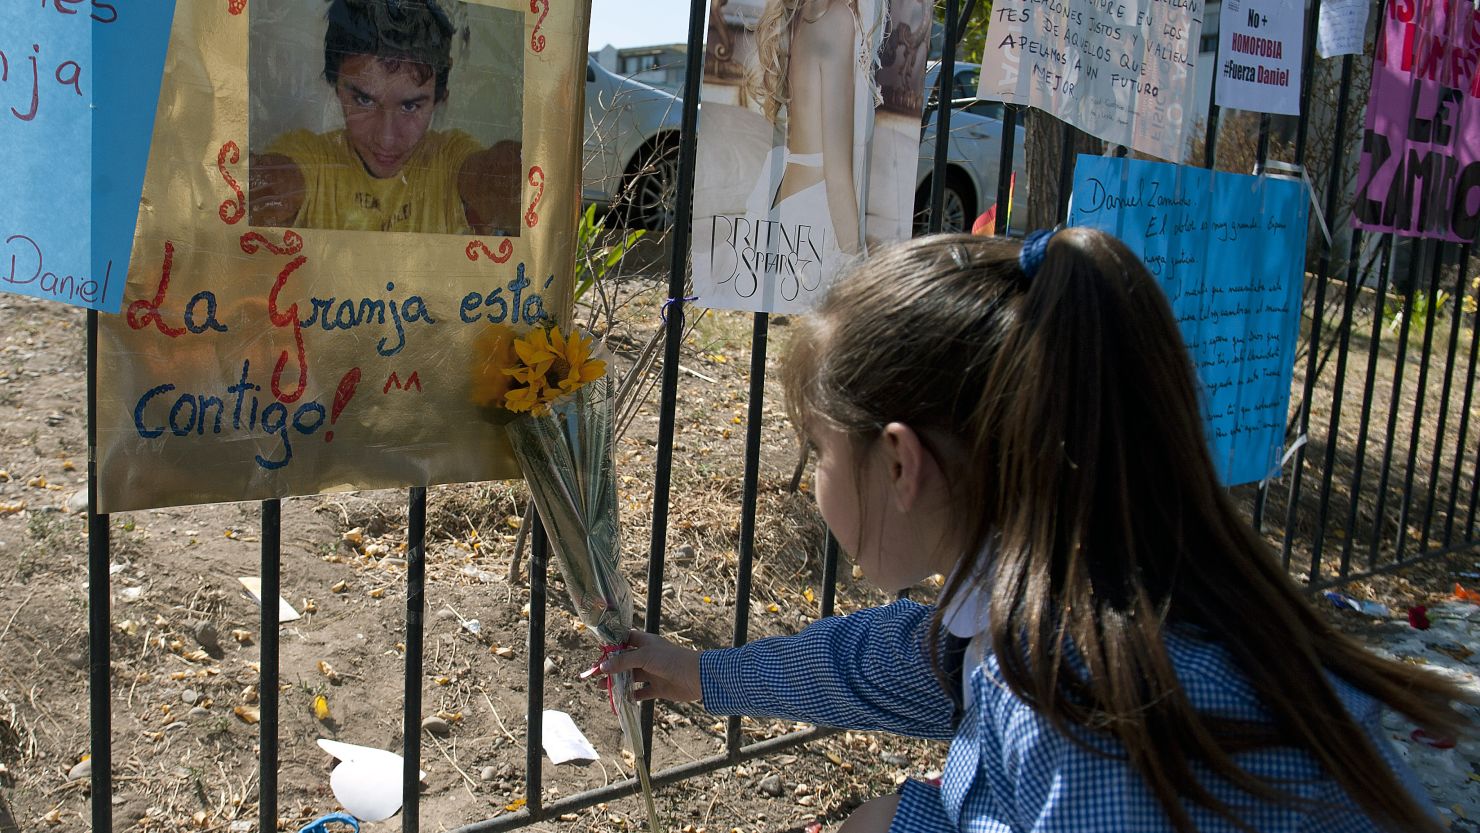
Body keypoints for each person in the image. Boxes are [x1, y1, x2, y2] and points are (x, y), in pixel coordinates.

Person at [602, 229, 1473, 832]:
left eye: (819, 450)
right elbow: (884, 660)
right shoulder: (1110, 594)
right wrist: (703, 674)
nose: (816, 483)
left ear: (900, 465)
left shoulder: (1081, 704)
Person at [250, 0, 521, 235]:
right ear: (337, 89)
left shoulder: (450, 160)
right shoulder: (311, 158)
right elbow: (269, 183)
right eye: (364, 100)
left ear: (439, 100)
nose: (387, 139)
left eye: (410, 106)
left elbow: (497, 178)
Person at [745, 0, 876, 258]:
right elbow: (837, 174)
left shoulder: (808, 12)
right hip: (818, 213)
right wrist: (857, 264)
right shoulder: (835, 17)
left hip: (797, 206)